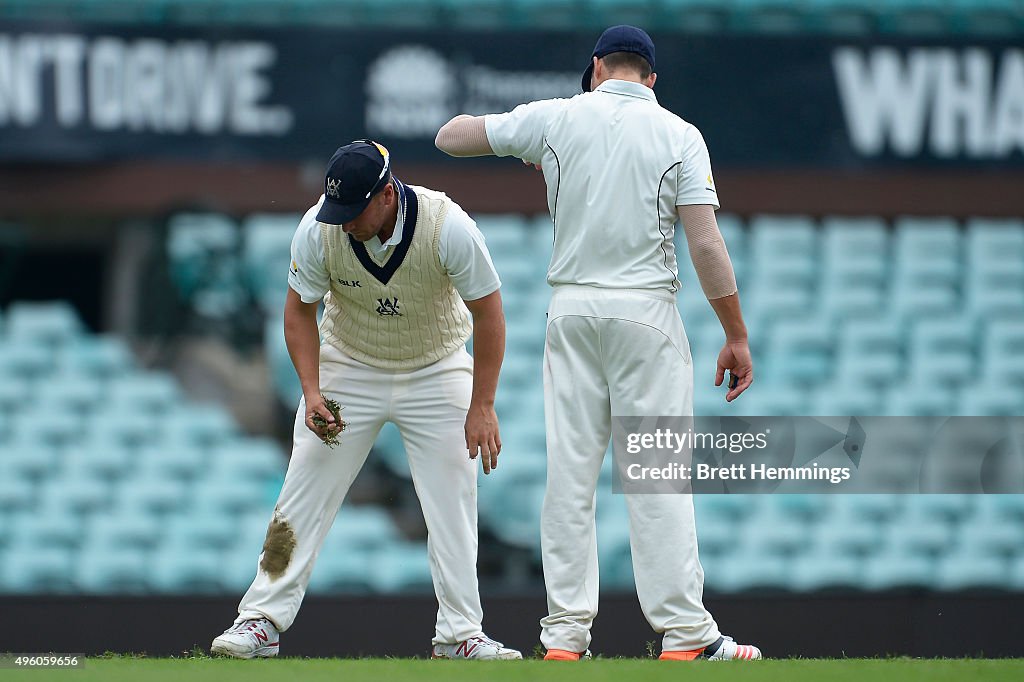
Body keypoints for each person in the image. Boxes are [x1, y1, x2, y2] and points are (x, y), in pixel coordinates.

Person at [435, 26, 760, 661]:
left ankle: (563, 637)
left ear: (595, 68)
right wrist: (736, 334)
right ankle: (686, 635)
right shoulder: (679, 134)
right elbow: (705, 244)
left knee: (570, 478)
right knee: (656, 478)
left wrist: (534, 143)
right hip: (647, 314)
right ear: (651, 78)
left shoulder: (555, 118)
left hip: (572, 312)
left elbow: (451, 136)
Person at [211, 140, 521, 660]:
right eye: (337, 211)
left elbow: (490, 314)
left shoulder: (450, 227)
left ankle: (461, 634)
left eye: (354, 211)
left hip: (436, 367)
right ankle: (259, 622)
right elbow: (298, 312)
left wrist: (482, 404)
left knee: (453, 499)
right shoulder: (319, 228)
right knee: (301, 492)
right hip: (350, 366)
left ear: (386, 195)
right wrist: (311, 391)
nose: (344, 222)